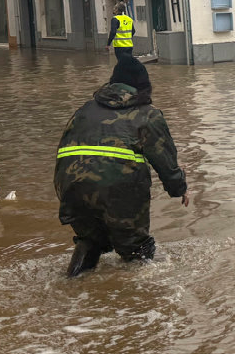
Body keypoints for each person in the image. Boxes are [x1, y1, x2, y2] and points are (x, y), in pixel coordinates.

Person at [55, 54, 188, 277]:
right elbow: (165, 161)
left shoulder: (84, 111)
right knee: (135, 249)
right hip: (119, 191)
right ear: (144, 86)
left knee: (91, 240)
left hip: (70, 187)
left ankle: (71, 283)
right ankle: (135, 293)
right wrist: (179, 188)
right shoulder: (148, 115)